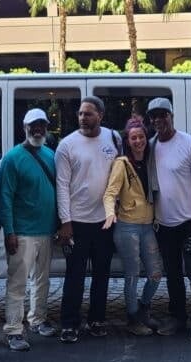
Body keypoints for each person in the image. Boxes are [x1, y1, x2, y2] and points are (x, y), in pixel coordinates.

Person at [144, 97, 191, 343]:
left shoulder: (190, 144)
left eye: (163, 115)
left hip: (190, 222)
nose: (159, 120)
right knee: (172, 274)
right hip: (163, 224)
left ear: (171, 116)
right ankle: (178, 317)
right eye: (154, 117)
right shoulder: (150, 146)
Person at [55, 96, 121, 343]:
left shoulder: (114, 139)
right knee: (75, 275)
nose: (83, 118)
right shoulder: (67, 145)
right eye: (81, 113)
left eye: (89, 113)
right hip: (77, 222)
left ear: (100, 116)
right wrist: (65, 221)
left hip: (105, 220)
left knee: (102, 273)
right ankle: (70, 323)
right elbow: (62, 186)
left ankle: (96, 319)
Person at [0, 108, 60, 351]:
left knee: (42, 280)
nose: (38, 129)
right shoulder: (12, 158)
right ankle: (13, 329)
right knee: (17, 283)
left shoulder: (50, 155)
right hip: (22, 232)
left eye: (42, 125)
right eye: (34, 125)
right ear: (25, 127)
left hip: (46, 231)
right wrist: (9, 231)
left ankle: (38, 320)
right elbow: (5, 197)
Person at [102, 116, 162, 336]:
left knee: (156, 273)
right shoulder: (121, 163)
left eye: (141, 136)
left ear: (146, 138)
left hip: (147, 226)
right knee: (132, 275)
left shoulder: (149, 160)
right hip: (127, 226)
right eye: (133, 137)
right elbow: (110, 193)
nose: (138, 141)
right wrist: (110, 213)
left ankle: (143, 309)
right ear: (128, 140)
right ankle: (133, 318)